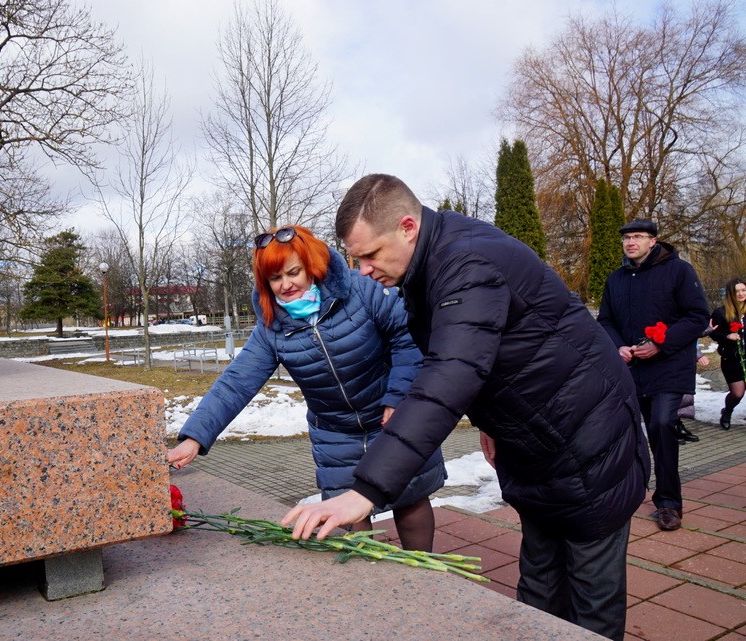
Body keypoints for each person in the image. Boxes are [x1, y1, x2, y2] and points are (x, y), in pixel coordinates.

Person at [282, 174, 649, 641]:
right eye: (356, 258)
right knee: (539, 581)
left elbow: (448, 376)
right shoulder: (430, 264)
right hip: (538, 440)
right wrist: (492, 419)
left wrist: (366, 491)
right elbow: (482, 356)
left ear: (408, 226)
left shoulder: (467, 261)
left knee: (591, 594)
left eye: (371, 254)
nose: (363, 269)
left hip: (588, 438)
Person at [168, 224, 446, 551]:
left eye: (293, 272)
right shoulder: (273, 327)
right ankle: (374, 584)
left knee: (409, 497)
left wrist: (399, 398)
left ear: (311, 265)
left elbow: (409, 336)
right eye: (274, 278)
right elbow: (237, 382)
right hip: (336, 432)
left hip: (392, 416)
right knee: (349, 516)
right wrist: (194, 438)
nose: (285, 285)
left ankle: (425, 575)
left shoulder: (362, 291)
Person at [597, 219, 710, 533]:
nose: (630, 242)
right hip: (632, 369)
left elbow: (698, 316)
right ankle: (628, 493)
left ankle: (669, 503)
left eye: (637, 236)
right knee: (629, 432)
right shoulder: (616, 279)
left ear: (653, 240)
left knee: (661, 424)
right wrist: (617, 345)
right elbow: (605, 320)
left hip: (669, 366)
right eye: (626, 238)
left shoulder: (678, 271)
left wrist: (661, 343)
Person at [709, 278, 746, 430]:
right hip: (732, 358)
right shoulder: (721, 312)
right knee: (737, 393)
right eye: (737, 291)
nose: (741, 294)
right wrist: (727, 336)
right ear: (731, 294)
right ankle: (727, 412)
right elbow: (713, 333)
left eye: (743, 290)